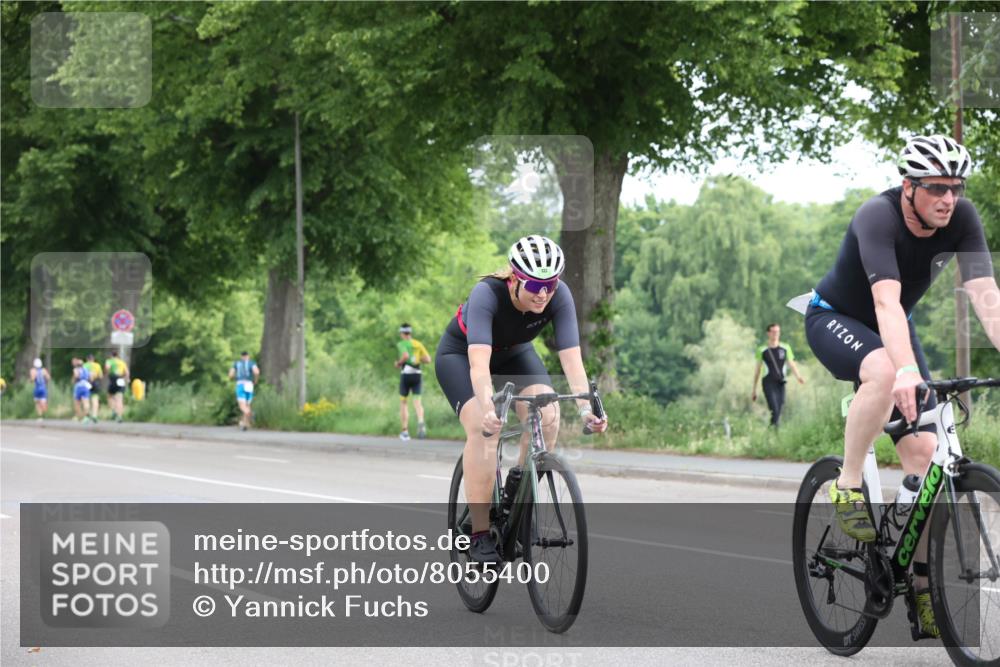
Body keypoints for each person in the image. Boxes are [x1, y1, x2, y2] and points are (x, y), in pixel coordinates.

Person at [805, 134, 1000, 637]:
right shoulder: (878, 216)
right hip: (839, 318)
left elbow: (985, 296)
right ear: (908, 186)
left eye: (956, 187)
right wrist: (906, 370)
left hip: (892, 327)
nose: (948, 198)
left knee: (928, 458)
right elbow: (886, 304)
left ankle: (918, 586)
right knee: (887, 372)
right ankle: (848, 484)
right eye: (936, 187)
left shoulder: (962, 218)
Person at [435, 235, 609, 563]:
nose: (543, 293)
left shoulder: (559, 296)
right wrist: (487, 408)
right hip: (462, 357)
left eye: (550, 284)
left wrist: (587, 409)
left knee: (548, 414)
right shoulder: (487, 294)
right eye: (533, 285)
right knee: (485, 429)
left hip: (516, 355)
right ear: (515, 279)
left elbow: (572, 360)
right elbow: (479, 365)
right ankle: (480, 534)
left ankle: (518, 492)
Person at [751, 323, 805, 427]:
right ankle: (775, 434)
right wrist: (754, 390)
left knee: (779, 410)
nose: (776, 334)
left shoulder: (785, 348)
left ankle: (772, 434)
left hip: (780, 383)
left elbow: (791, 364)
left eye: (777, 332)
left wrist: (799, 377)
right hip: (768, 383)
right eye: (773, 332)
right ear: (768, 333)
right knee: (774, 410)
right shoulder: (762, 350)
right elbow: (757, 370)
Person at [395, 323, 431, 440]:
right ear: (410, 333)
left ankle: (405, 431)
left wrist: (398, 363)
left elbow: (405, 356)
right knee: (417, 402)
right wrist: (416, 358)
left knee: (404, 402)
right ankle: (421, 422)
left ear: (402, 333)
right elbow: (428, 359)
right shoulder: (418, 344)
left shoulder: (401, 344)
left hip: (406, 374)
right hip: (417, 375)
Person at [228, 351, 259, 431]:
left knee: (242, 406)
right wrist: (255, 381)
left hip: (241, 384)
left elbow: (230, 375)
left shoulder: (237, 364)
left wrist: (235, 377)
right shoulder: (251, 363)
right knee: (247, 405)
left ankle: (251, 414)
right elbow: (256, 372)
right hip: (249, 384)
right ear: (248, 356)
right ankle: (245, 424)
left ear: (241, 356)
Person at [105, 350, 130, 423]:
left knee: (109, 396)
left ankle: (114, 411)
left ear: (111, 355)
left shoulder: (109, 361)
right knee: (120, 399)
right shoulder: (122, 362)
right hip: (121, 379)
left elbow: (107, 368)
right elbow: (127, 372)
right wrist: (127, 379)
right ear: (117, 355)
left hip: (114, 379)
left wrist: (106, 373)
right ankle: (119, 416)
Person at [71, 358, 93, 423]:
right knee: (86, 402)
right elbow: (91, 378)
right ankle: (87, 416)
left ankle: (79, 416)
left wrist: (73, 380)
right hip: (86, 386)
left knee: (77, 403)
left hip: (79, 386)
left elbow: (76, 376)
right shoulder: (87, 370)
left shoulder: (76, 369)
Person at [83, 354, 104, 422]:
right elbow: (101, 376)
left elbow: (82, 375)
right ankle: (94, 415)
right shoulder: (97, 365)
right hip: (95, 383)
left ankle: (87, 416)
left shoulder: (85, 365)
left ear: (87, 359)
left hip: (87, 383)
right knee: (95, 399)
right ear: (93, 359)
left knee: (86, 400)